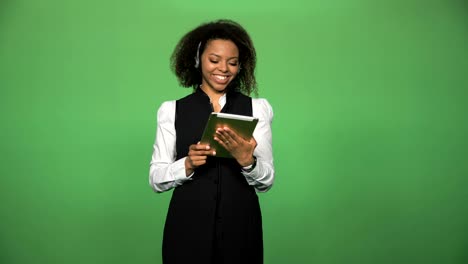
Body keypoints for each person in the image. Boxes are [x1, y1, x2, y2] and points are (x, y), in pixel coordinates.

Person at [149, 19, 275, 264]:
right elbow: (155, 179)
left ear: (241, 66)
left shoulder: (257, 108)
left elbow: (267, 180)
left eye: (233, 62)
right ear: (198, 60)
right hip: (186, 231)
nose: (224, 69)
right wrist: (187, 164)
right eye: (214, 60)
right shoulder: (171, 111)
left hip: (241, 231)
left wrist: (248, 161)